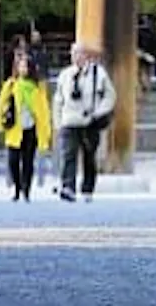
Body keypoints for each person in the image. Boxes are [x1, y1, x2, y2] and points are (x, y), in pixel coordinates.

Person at [53, 42, 116, 203]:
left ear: (86, 56)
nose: (76, 57)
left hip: (89, 120)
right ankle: (68, 187)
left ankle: (87, 188)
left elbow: (110, 96)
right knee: (68, 155)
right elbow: (58, 100)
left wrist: (99, 112)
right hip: (69, 120)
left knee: (89, 156)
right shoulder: (65, 75)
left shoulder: (98, 73)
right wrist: (58, 121)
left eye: (80, 54)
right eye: (74, 54)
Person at [0, 55, 52, 202]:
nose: (23, 69)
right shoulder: (11, 84)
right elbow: (1, 104)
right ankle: (17, 187)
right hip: (15, 129)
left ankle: (26, 190)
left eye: (25, 66)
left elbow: (44, 110)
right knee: (13, 161)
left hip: (31, 128)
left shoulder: (38, 87)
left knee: (28, 161)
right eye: (20, 66)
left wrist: (46, 130)